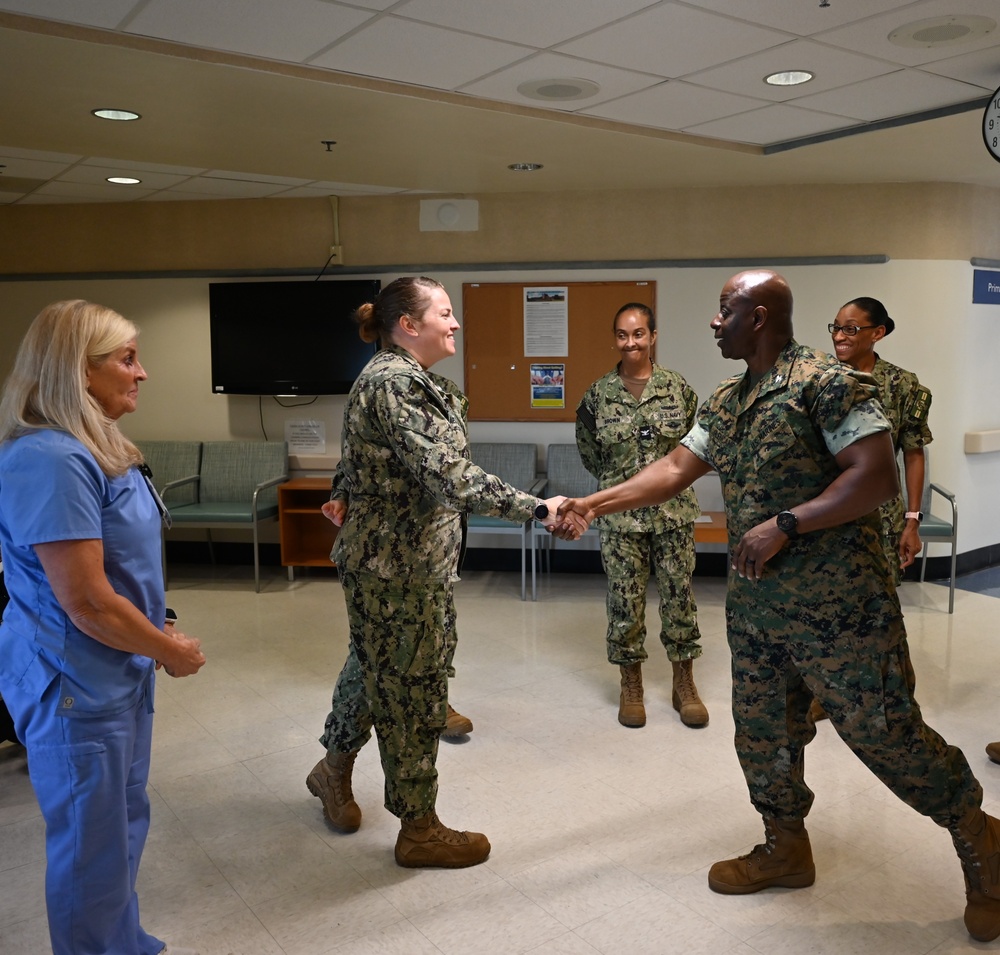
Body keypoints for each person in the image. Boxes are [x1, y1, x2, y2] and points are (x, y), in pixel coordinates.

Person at [555, 270, 1000, 943]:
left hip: (842, 611)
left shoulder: (825, 382)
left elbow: (875, 475)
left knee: (885, 735)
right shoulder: (730, 400)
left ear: (759, 317)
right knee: (763, 733)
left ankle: (982, 839)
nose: (714, 321)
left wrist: (788, 523)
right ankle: (785, 845)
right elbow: (674, 469)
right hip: (760, 612)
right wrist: (592, 503)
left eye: (725, 310)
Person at [306, 276, 565, 869]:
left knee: (372, 669)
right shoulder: (395, 384)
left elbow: (360, 455)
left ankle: (332, 769)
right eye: (444, 314)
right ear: (408, 325)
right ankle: (418, 827)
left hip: (413, 563)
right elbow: (450, 474)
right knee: (410, 695)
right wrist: (539, 508)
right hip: (394, 571)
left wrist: (345, 492)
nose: (454, 324)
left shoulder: (417, 383)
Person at [0, 300, 206, 955]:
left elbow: (123, 565)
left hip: (115, 670)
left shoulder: (100, 446)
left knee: (118, 823)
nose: (142, 372)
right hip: (74, 682)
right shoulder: (51, 458)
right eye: (126, 358)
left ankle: (121, 941)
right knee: (91, 841)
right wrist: (167, 649)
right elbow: (85, 600)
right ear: (78, 372)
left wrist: (157, 625)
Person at [576, 302, 707, 728]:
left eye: (638, 334)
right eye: (621, 335)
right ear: (615, 339)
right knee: (624, 603)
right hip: (619, 522)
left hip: (673, 516)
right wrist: (621, 489)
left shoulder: (678, 389)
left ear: (652, 336)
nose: (630, 342)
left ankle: (683, 682)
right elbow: (592, 455)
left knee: (679, 597)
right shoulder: (597, 395)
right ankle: (630, 684)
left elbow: (692, 450)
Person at [829, 296, 931, 586]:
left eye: (849, 329)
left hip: (881, 518)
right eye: (835, 328)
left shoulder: (903, 385)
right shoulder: (820, 380)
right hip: (824, 514)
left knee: (878, 609)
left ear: (877, 333)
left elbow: (913, 453)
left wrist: (912, 521)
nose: (838, 336)